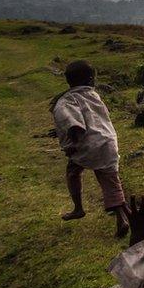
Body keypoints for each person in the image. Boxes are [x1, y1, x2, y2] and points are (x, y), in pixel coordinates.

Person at [50, 59, 128, 238]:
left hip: (86, 145)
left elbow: (73, 124)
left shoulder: (67, 100)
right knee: (111, 183)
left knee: (72, 172)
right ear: (91, 79)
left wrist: (72, 144)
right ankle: (122, 218)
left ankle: (78, 208)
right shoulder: (93, 95)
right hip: (107, 142)